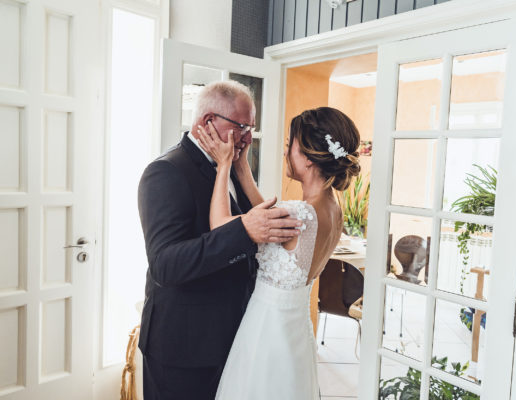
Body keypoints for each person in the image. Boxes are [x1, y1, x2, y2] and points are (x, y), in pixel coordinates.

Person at [137, 80, 304, 400]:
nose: (248, 138)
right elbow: (165, 265)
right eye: (241, 126)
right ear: (207, 122)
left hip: (233, 338)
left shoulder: (235, 166)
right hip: (183, 349)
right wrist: (244, 231)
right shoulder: (165, 172)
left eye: (251, 128)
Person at [195, 106, 361, 399]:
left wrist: (223, 166)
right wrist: (242, 168)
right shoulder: (331, 209)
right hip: (294, 327)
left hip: (267, 331)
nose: (285, 151)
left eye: (290, 145)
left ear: (308, 159)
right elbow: (274, 220)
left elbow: (220, 226)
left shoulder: (301, 213)